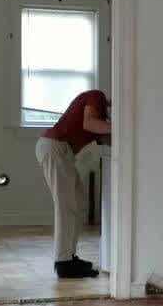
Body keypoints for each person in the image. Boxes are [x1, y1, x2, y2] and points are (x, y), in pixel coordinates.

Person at [36, 89, 112, 278]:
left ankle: (69, 257)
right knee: (66, 206)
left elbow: (107, 138)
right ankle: (63, 263)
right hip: (55, 148)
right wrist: (122, 125)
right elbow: (89, 123)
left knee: (77, 203)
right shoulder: (97, 96)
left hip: (61, 151)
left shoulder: (101, 115)